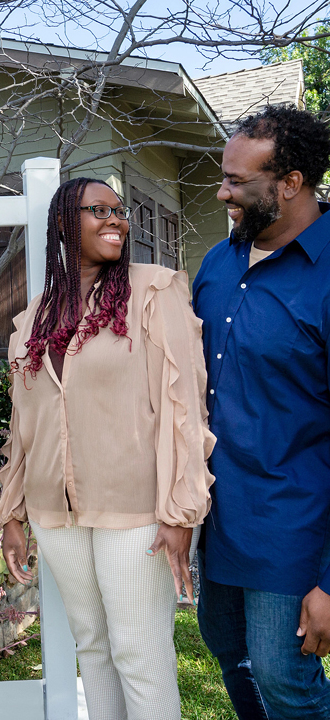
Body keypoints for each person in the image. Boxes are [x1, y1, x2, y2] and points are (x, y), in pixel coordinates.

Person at [0, 177, 215, 719]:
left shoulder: (154, 291)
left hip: (135, 510)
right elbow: (26, 423)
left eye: (121, 213)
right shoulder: (36, 317)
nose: (117, 221)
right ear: (65, 224)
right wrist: (12, 512)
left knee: (139, 653)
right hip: (55, 513)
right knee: (91, 649)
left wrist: (180, 512)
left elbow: (184, 408)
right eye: (101, 211)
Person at [192, 105, 330, 719]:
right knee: (230, 654)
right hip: (218, 516)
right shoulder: (218, 264)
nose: (222, 192)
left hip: (293, 522)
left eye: (237, 182)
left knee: (283, 676)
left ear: (290, 183)